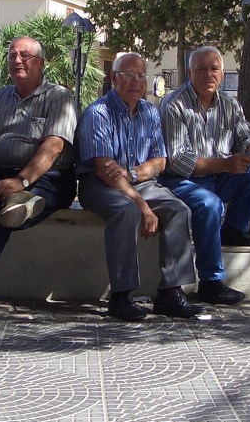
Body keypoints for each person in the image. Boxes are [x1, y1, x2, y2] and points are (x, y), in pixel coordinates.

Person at [0, 36, 77, 322]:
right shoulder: (1, 96)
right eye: (12, 55)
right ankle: (17, 202)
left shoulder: (59, 97)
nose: (17, 60)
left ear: (41, 64)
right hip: (5, 177)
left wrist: (22, 181)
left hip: (47, 180)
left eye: (25, 55)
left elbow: (54, 146)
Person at [78, 53, 199, 321]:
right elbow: (105, 170)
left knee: (179, 209)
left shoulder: (150, 112)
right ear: (113, 78)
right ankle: (121, 296)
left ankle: (170, 292)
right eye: (128, 74)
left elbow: (160, 162)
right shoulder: (97, 114)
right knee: (127, 211)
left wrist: (133, 173)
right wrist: (142, 206)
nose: (136, 81)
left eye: (141, 75)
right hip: (99, 186)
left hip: (137, 181)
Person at [158, 45, 250, 306]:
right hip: (182, 180)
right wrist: (225, 165)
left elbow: (245, 137)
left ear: (222, 73)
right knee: (209, 203)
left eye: (214, 69)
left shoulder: (230, 104)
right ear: (190, 73)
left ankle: (234, 229)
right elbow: (177, 160)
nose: (208, 74)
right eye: (201, 69)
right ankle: (211, 282)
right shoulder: (174, 105)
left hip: (219, 175)